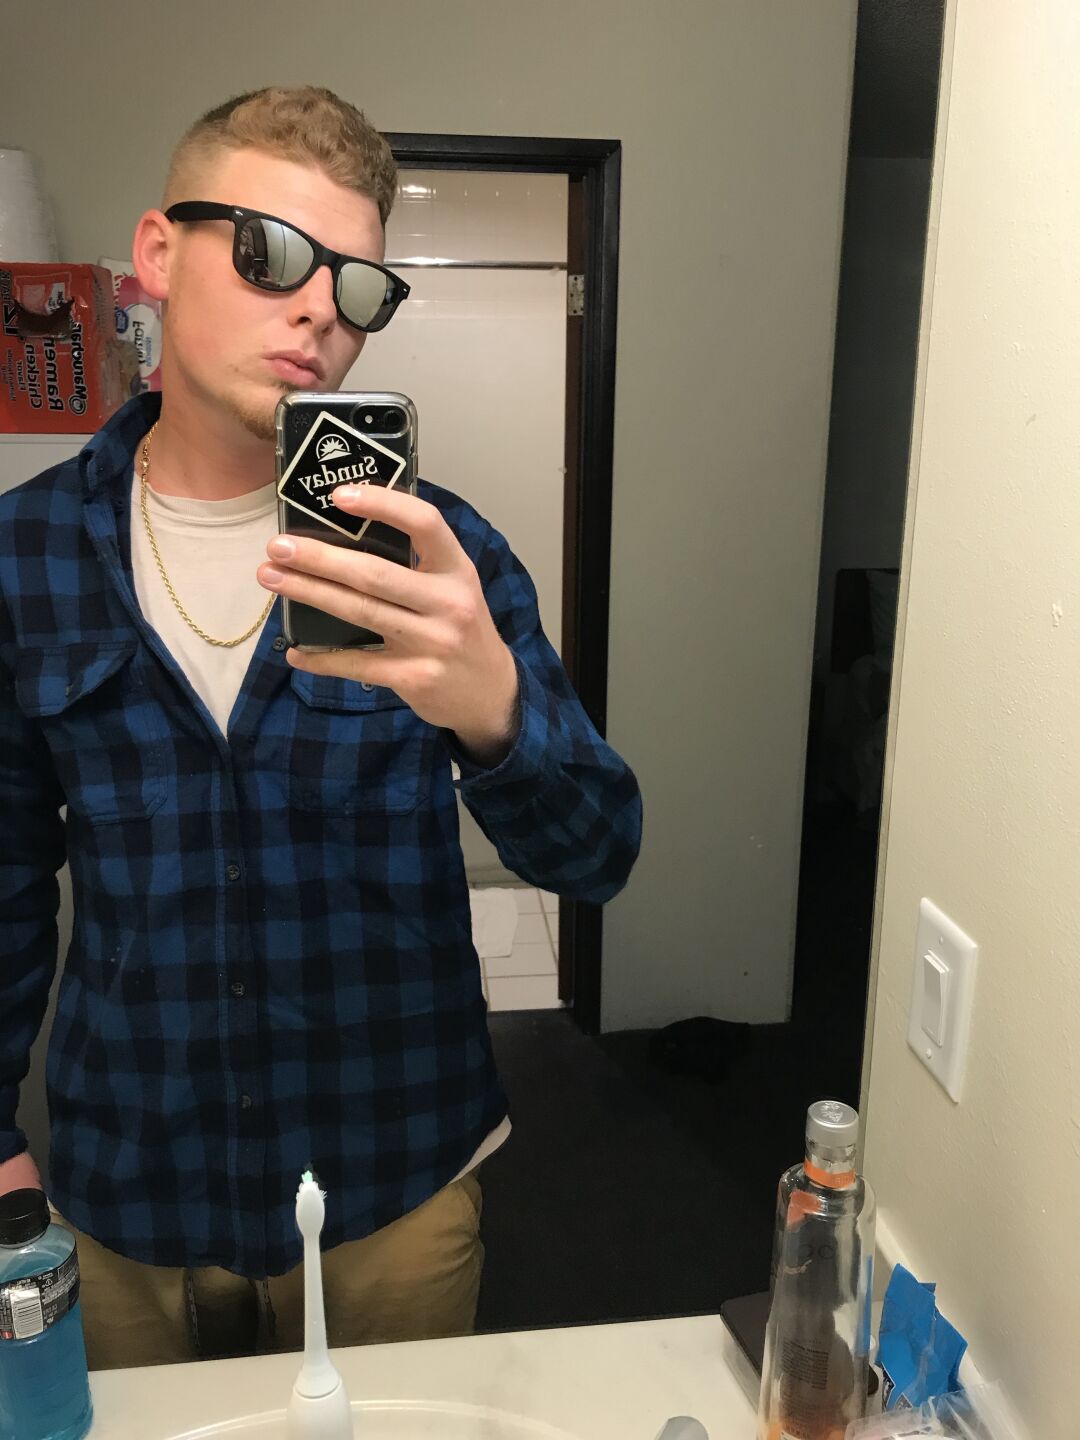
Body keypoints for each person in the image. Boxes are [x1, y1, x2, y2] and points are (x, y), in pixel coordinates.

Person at [0, 86, 642, 1370]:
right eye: (269, 253)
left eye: (358, 286)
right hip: (129, 1185)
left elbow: (598, 854)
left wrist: (495, 716)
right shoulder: (26, 558)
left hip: (389, 1180)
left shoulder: (445, 561)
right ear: (157, 252)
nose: (318, 311)